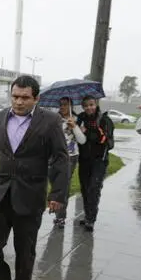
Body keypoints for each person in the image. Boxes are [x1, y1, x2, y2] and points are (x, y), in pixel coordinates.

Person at [0, 75, 69, 280]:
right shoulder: (1, 116)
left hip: (31, 195)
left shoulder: (49, 121)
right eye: (15, 96)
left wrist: (57, 193)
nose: (18, 102)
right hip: (1, 192)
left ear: (36, 98)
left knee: (24, 250)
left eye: (25, 97)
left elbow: (60, 158)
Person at [76, 95, 115, 231]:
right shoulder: (80, 118)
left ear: (96, 104)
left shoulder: (104, 120)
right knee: (85, 189)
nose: (89, 108)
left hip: (99, 160)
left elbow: (106, 140)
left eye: (91, 105)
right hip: (84, 160)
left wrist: (88, 132)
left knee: (94, 189)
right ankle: (87, 215)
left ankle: (91, 219)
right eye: (86, 105)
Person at [50, 97, 87, 229]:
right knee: (55, 183)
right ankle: (57, 209)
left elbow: (82, 141)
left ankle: (60, 217)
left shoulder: (77, 120)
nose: (62, 107)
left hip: (70, 157)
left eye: (65, 105)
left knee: (63, 186)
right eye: (60, 104)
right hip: (53, 157)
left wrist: (75, 127)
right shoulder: (53, 119)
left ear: (71, 105)